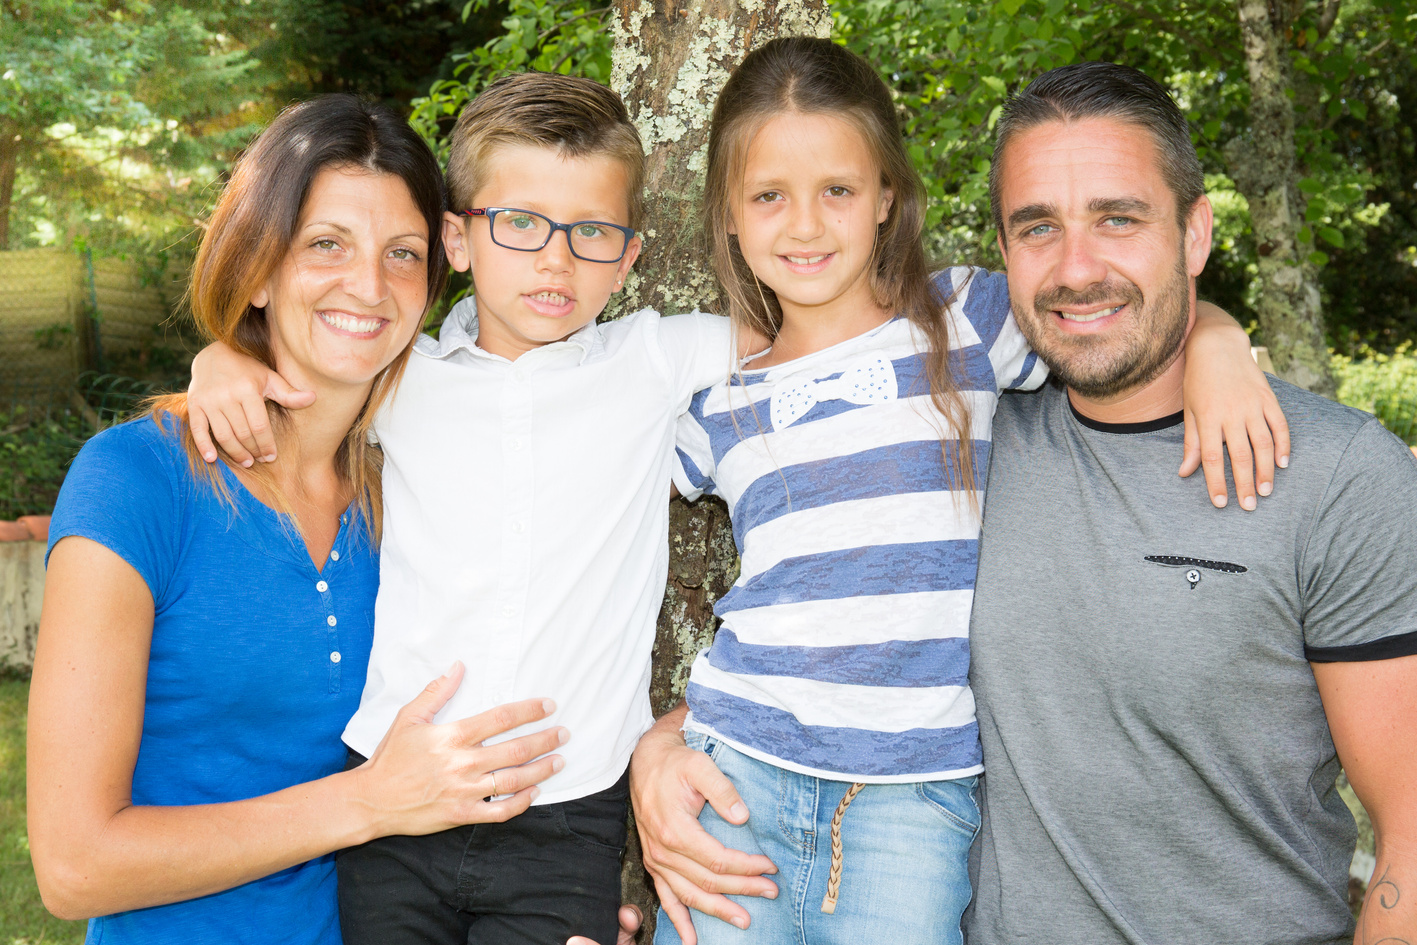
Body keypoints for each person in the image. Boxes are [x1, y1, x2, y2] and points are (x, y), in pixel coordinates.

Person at [631, 58, 1417, 945]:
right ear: (1003, 250)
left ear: (1196, 233)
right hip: (759, 792)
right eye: (1038, 227)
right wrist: (657, 743)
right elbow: (822, 592)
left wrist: (1217, 336)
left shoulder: (1334, 474)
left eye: (1118, 217)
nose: (1077, 268)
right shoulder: (979, 428)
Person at [183, 73, 740, 945]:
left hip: (565, 814)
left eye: (591, 232)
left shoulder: (656, 362)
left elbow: (821, 334)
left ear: (630, 254)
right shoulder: (401, 379)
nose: (555, 261)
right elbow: (283, 367)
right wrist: (220, 359)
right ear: (457, 238)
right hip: (396, 805)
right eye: (519, 223)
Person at [26, 94, 567, 945]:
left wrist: (548, 909)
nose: (368, 285)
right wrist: (367, 802)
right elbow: (73, 865)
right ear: (259, 267)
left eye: (403, 253)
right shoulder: (135, 483)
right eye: (326, 244)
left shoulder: (428, 486)